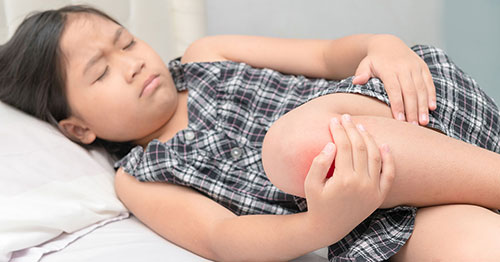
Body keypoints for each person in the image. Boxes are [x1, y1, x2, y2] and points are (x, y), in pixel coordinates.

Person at [1, 5, 499, 261]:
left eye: (126, 43)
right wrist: (325, 224)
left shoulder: (206, 55)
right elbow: (224, 238)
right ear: (78, 128)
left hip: (410, 114)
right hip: (371, 216)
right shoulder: (140, 179)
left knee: (296, 150)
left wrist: (384, 45)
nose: (130, 64)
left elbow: (326, 58)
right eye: (100, 72)